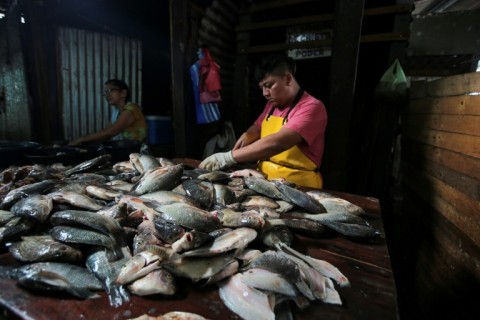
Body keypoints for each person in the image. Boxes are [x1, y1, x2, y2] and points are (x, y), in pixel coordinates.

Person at [199, 54, 328, 189]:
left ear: (288, 79)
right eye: (262, 88)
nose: (265, 93)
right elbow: (258, 126)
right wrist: (248, 135)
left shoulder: (312, 107)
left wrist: (229, 157)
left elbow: (279, 142)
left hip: (299, 185)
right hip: (266, 179)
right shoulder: (272, 105)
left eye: (269, 85)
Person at [68, 79, 147, 146]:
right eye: (105, 92)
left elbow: (112, 131)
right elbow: (106, 133)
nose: (107, 95)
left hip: (137, 153)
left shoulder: (132, 108)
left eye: (110, 90)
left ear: (123, 93)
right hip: (123, 150)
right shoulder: (115, 112)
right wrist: (87, 144)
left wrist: (82, 139)